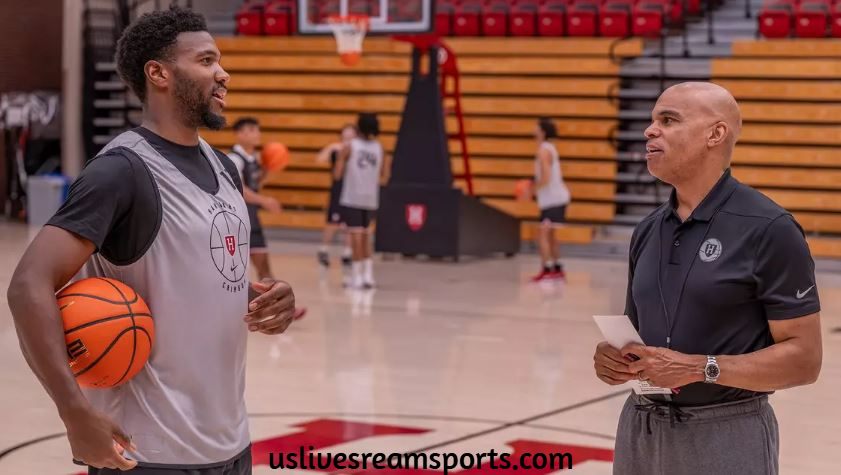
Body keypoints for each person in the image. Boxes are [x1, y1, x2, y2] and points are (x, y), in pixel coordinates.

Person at [6, 7, 304, 474]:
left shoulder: (224, 167)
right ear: (159, 73)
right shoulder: (121, 170)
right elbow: (28, 285)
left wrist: (262, 298)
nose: (223, 73)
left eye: (219, 61)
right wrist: (73, 411)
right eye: (206, 61)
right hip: (147, 453)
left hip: (230, 443)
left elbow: (194, 275)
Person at [592, 82, 822, 475]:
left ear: (715, 134)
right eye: (651, 120)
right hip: (640, 428)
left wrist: (703, 368)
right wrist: (615, 359)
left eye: (668, 120)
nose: (649, 130)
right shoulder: (647, 229)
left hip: (727, 431)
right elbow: (641, 340)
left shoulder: (769, 228)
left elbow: (805, 360)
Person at [336, 113, 387, 289]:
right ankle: (368, 276)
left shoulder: (351, 146)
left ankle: (357, 277)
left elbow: (337, 173)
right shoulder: (379, 148)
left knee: (356, 237)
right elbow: (384, 174)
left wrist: (341, 161)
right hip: (371, 197)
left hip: (353, 197)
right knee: (366, 237)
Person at [227, 116, 282, 281]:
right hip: (237, 220)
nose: (257, 133)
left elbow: (255, 184)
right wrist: (265, 201)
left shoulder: (254, 159)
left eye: (257, 129)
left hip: (251, 217)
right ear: (240, 134)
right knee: (236, 273)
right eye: (251, 130)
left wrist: (267, 168)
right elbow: (240, 189)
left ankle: (276, 306)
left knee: (264, 268)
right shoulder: (234, 159)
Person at [528, 117, 571, 282]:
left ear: (542, 132)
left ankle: (547, 269)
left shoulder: (543, 150)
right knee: (551, 234)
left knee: (542, 234)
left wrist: (531, 189)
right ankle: (557, 268)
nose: (534, 131)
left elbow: (545, 177)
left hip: (553, 200)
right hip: (556, 199)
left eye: (536, 128)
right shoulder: (549, 148)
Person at [315, 123, 357, 269]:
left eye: (351, 133)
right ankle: (324, 250)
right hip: (338, 190)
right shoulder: (336, 149)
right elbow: (319, 159)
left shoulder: (357, 150)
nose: (349, 135)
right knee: (333, 222)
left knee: (350, 224)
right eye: (346, 132)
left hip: (353, 190)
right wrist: (331, 147)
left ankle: (347, 253)